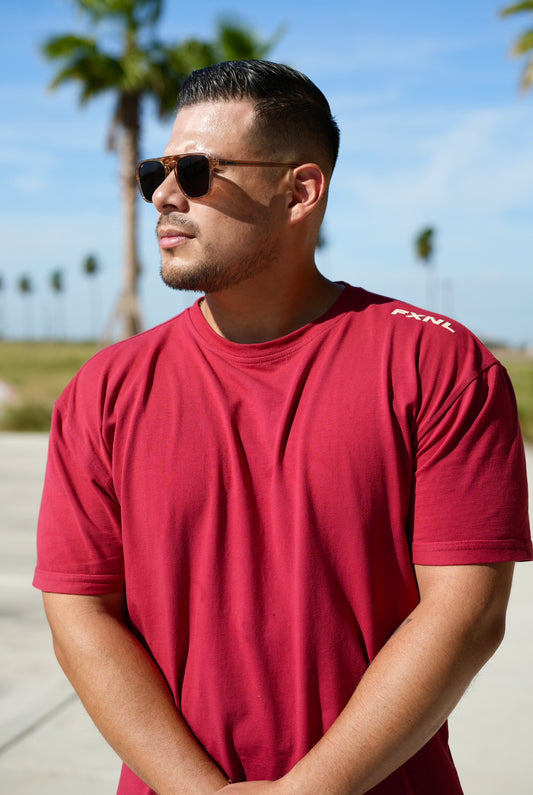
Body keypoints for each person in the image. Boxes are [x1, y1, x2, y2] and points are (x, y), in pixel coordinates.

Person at [34, 60, 532, 795]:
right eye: (155, 174)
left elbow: (467, 612)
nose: (164, 195)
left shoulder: (437, 364)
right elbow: (80, 612)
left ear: (300, 191)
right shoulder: (104, 391)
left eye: (196, 172)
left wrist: (309, 791)